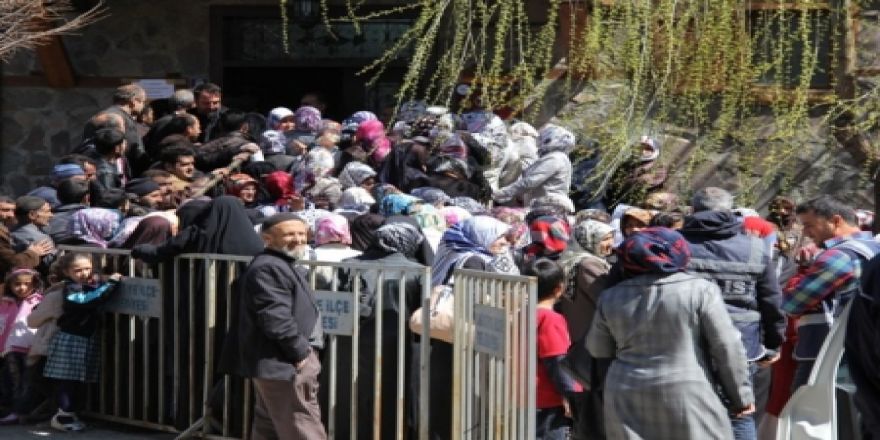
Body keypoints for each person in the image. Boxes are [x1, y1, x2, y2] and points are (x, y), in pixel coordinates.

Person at [586, 228, 755, 440]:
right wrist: (741, 397)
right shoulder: (700, 290)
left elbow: (597, 348)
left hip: (625, 392)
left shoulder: (610, 297)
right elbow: (727, 346)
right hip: (689, 394)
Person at [678, 187, 785, 439]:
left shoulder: (675, 244)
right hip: (742, 345)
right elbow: (770, 300)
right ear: (729, 211)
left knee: (687, 414)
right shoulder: (755, 248)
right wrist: (772, 344)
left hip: (685, 343)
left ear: (693, 210)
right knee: (739, 412)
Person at [229, 214, 326, 440]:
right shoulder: (269, 268)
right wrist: (300, 352)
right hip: (284, 361)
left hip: (279, 361)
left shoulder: (279, 264)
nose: (298, 239)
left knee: (270, 425)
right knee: (301, 424)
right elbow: (274, 316)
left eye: (302, 234)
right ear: (268, 239)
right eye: (290, 234)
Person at [781, 196, 880, 390]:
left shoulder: (838, 256)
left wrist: (794, 288)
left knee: (805, 413)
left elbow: (792, 305)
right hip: (862, 347)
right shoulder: (874, 248)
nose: (806, 233)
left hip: (824, 352)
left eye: (809, 225)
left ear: (835, 221)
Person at [43, 253, 122, 431]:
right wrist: (111, 284)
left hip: (85, 338)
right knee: (67, 379)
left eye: (87, 268)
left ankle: (71, 413)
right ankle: (63, 415)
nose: (83, 273)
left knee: (79, 379)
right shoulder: (71, 288)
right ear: (66, 272)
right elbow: (88, 301)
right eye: (77, 270)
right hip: (71, 338)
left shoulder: (88, 284)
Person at [556, 219, 613, 439]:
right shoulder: (589, 264)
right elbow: (606, 297)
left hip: (579, 336)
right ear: (590, 240)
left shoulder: (571, 258)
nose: (610, 243)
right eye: (605, 238)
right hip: (591, 338)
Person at [523, 259, 582, 440]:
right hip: (548, 401)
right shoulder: (550, 319)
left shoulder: (521, 313)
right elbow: (557, 362)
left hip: (524, 397)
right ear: (559, 288)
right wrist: (571, 397)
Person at [493, 124, 575, 213]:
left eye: (545, 138)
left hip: (548, 206)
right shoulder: (558, 158)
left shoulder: (555, 158)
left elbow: (530, 182)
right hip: (546, 205)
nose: (540, 140)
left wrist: (499, 193)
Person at [0, 268, 43, 424]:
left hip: (30, 347)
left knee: (26, 382)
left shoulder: (38, 301)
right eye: (17, 284)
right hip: (10, 349)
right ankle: (11, 409)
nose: (22, 288)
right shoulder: (5, 302)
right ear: (10, 285)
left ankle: (20, 411)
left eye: (27, 284)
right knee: (11, 380)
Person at [0, 196, 51, 276]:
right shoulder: (38, 238)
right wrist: (32, 253)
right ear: (32, 215)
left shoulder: (8, 231)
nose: (11, 215)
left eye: (13, 211)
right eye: (5, 210)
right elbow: (12, 264)